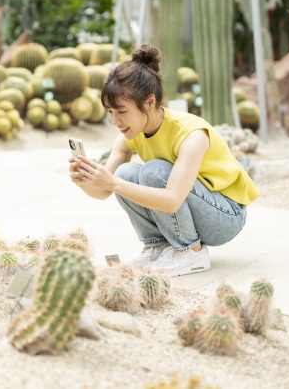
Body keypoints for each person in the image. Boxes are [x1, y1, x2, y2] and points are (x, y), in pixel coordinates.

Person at [68, 45, 259, 277]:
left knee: (153, 172)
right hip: (195, 208)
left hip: (225, 217)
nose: (115, 120)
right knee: (125, 172)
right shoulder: (129, 134)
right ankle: (158, 245)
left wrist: (114, 183)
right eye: (109, 112)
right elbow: (103, 191)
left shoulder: (191, 134)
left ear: (149, 102)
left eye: (121, 111)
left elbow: (171, 201)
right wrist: (85, 180)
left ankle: (191, 252)